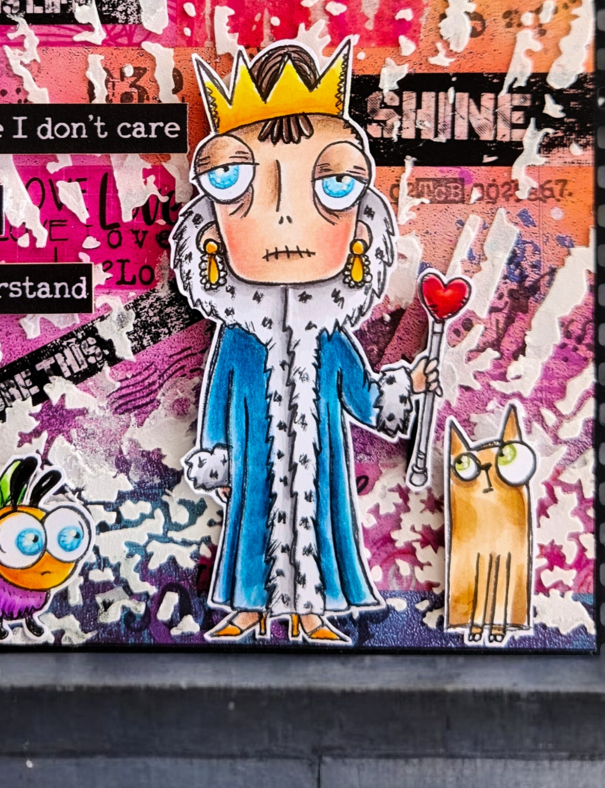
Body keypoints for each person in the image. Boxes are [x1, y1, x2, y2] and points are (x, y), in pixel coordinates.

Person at [172, 39, 439, 643]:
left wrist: (409, 386)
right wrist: (216, 452)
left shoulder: (329, 335)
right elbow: (217, 401)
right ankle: (248, 608)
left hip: (320, 459)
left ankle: (312, 611)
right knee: (250, 520)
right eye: (233, 179)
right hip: (251, 457)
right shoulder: (239, 336)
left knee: (323, 518)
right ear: (211, 226)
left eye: (333, 184)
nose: (287, 219)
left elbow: (363, 398)